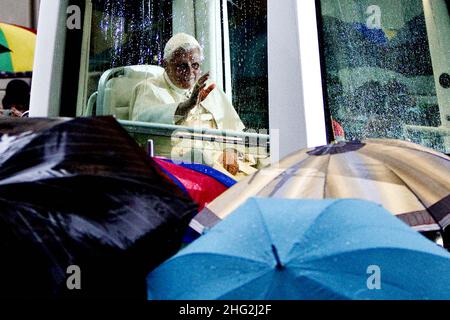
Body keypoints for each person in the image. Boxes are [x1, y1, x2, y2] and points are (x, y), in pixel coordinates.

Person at [130, 33, 257, 177]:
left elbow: (234, 131)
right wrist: (187, 105)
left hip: (222, 164)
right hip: (180, 170)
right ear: (166, 64)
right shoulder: (148, 88)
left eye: (195, 65)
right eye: (182, 66)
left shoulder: (208, 87)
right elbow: (141, 130)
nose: (190, 72)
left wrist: (231, 151)